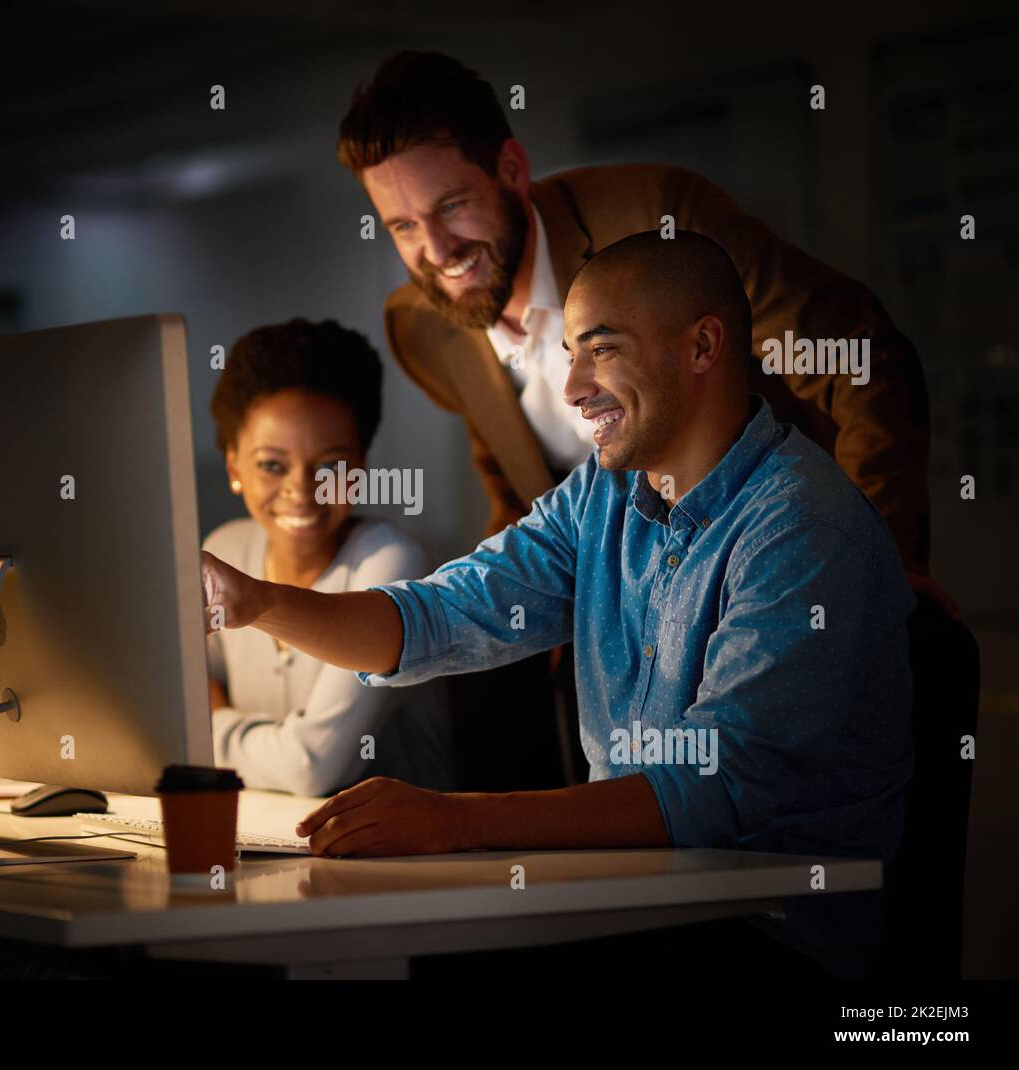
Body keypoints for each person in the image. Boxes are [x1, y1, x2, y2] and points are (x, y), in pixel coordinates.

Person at [202, 233, 915, 978]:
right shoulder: (601, 495)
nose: (572, 388)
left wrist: (455, 822)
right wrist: (253, 602)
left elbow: (713, 791)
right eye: (569, 353)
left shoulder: (801, 525)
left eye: (600, 350)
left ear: (703, 346)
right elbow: (442, 617)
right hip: (633, 904)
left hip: (768, 937)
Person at [336, 50, 940, 601]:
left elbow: (858, 362)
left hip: (778, 565)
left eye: (451, 206)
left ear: (512, 169)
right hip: (622, 632)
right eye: (402, 227)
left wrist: (877, 572)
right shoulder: (422, 328)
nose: (436, 250)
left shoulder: (661, 217)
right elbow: (515, 488)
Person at [203, 317, 453, 797]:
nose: (302, 490)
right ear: (235, 466)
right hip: (264, 846)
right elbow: (169, 712)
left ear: (361, 465)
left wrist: (206, 729)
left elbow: (310, 769)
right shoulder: (225, 551)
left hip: (407, 865)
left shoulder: (392, 563)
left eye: (332, 466)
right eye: (272, 465)